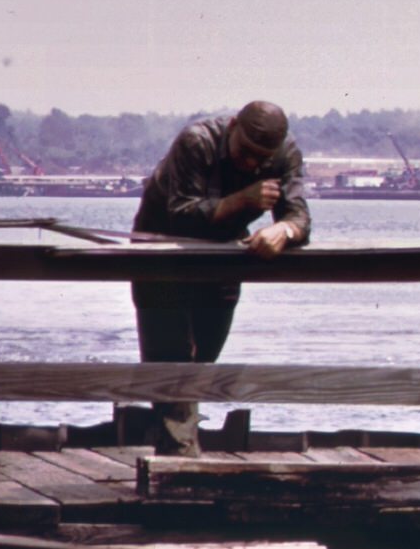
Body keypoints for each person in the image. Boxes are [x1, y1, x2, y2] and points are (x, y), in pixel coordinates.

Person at [131, 100, 311, 456]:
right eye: (245, 153)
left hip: (222, 257)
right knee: (169, 356)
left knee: (203, 359)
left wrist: (284, 231)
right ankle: (179, 456)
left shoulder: (284, 153)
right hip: (162, 255)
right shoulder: (196, 142)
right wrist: (242, 200)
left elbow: (299, 216)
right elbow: (182, 212)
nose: (252, 164)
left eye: (262, 158)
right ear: (232, 127)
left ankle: (177, 442)